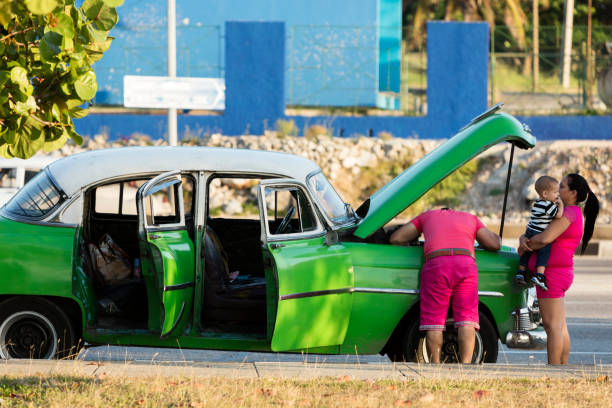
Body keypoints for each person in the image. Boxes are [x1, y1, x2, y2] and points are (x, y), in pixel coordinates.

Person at [390, 208, 501, 363]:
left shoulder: (427, 216)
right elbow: (494, 244)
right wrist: (497, 238)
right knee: (467, 319)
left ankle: (435, 365)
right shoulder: (470, 218)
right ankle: (466, 366)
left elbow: (396, 238)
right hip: (465, 264)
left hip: (437, 264)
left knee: (434, 322)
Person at [518, 173, 599, 365]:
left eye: (562, 186)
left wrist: (525, 244)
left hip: (552, 275)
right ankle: (561, 368)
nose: (558, 190)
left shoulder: (568, 213)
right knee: (560, 326)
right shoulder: (568, 212)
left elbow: (544, 238)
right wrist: (524, 238)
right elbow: (537, 229)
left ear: (573, 193)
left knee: (551, 326)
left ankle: (553, 370)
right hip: (558, 273)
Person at [515, 176, 565, 290]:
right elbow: (559, 215)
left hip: (529, 231)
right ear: (545, 194)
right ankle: (540, 275)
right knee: (544, 251)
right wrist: (560, 204)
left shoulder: (537, 203)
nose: (558, 195)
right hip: (538, 232)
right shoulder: (549, 205)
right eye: (555, 192)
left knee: (527, 252)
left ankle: (520, 273)